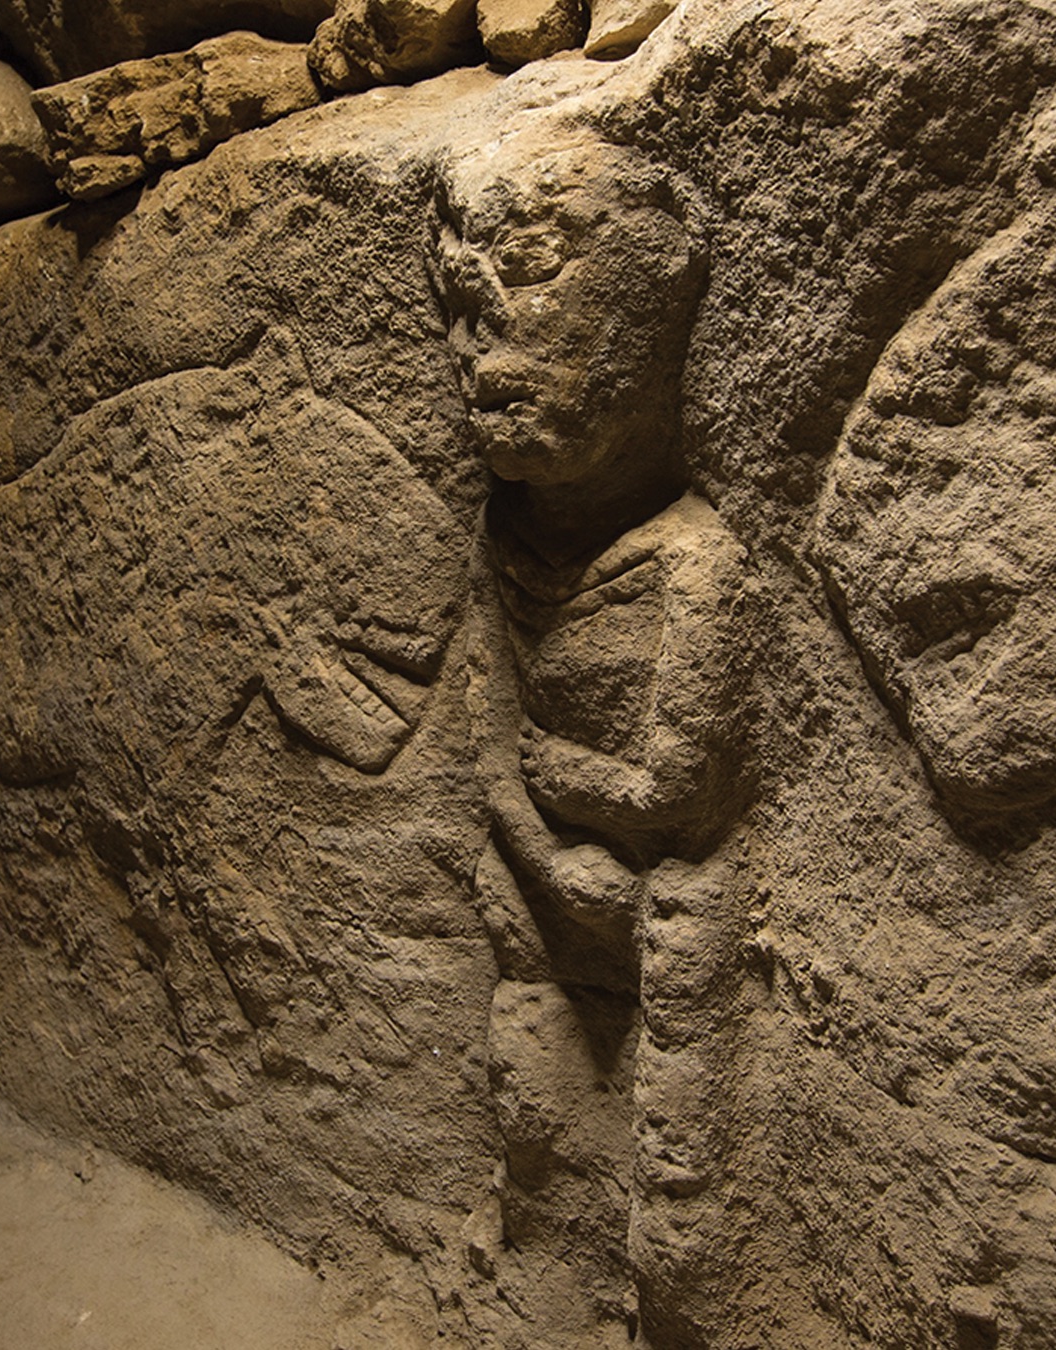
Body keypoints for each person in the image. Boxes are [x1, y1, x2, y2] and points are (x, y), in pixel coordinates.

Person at [440, 118, 761, 1349]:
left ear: (644, 323)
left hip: (670, 904)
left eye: (524, 307)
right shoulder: (504, 543)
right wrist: (531, 829)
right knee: (531, 1089)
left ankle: (670, 1303)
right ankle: (537, 1267)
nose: (483, 357)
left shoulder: (694, 565)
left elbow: (676, 787)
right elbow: (482, 731)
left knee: (674, 1179)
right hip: (533, 874)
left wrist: (550, 787)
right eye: (466, 316)